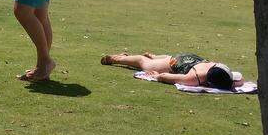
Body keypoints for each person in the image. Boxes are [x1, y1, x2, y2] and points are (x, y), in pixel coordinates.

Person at [100, 52, 243, 90]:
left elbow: (239, 80)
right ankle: (115, 59)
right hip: (177, 63)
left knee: (163, 60)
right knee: (144, 63)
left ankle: (156, 57)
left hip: (190, 58)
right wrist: (157, 76)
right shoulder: (194, 78)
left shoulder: (223, 70)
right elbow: (165, 77)